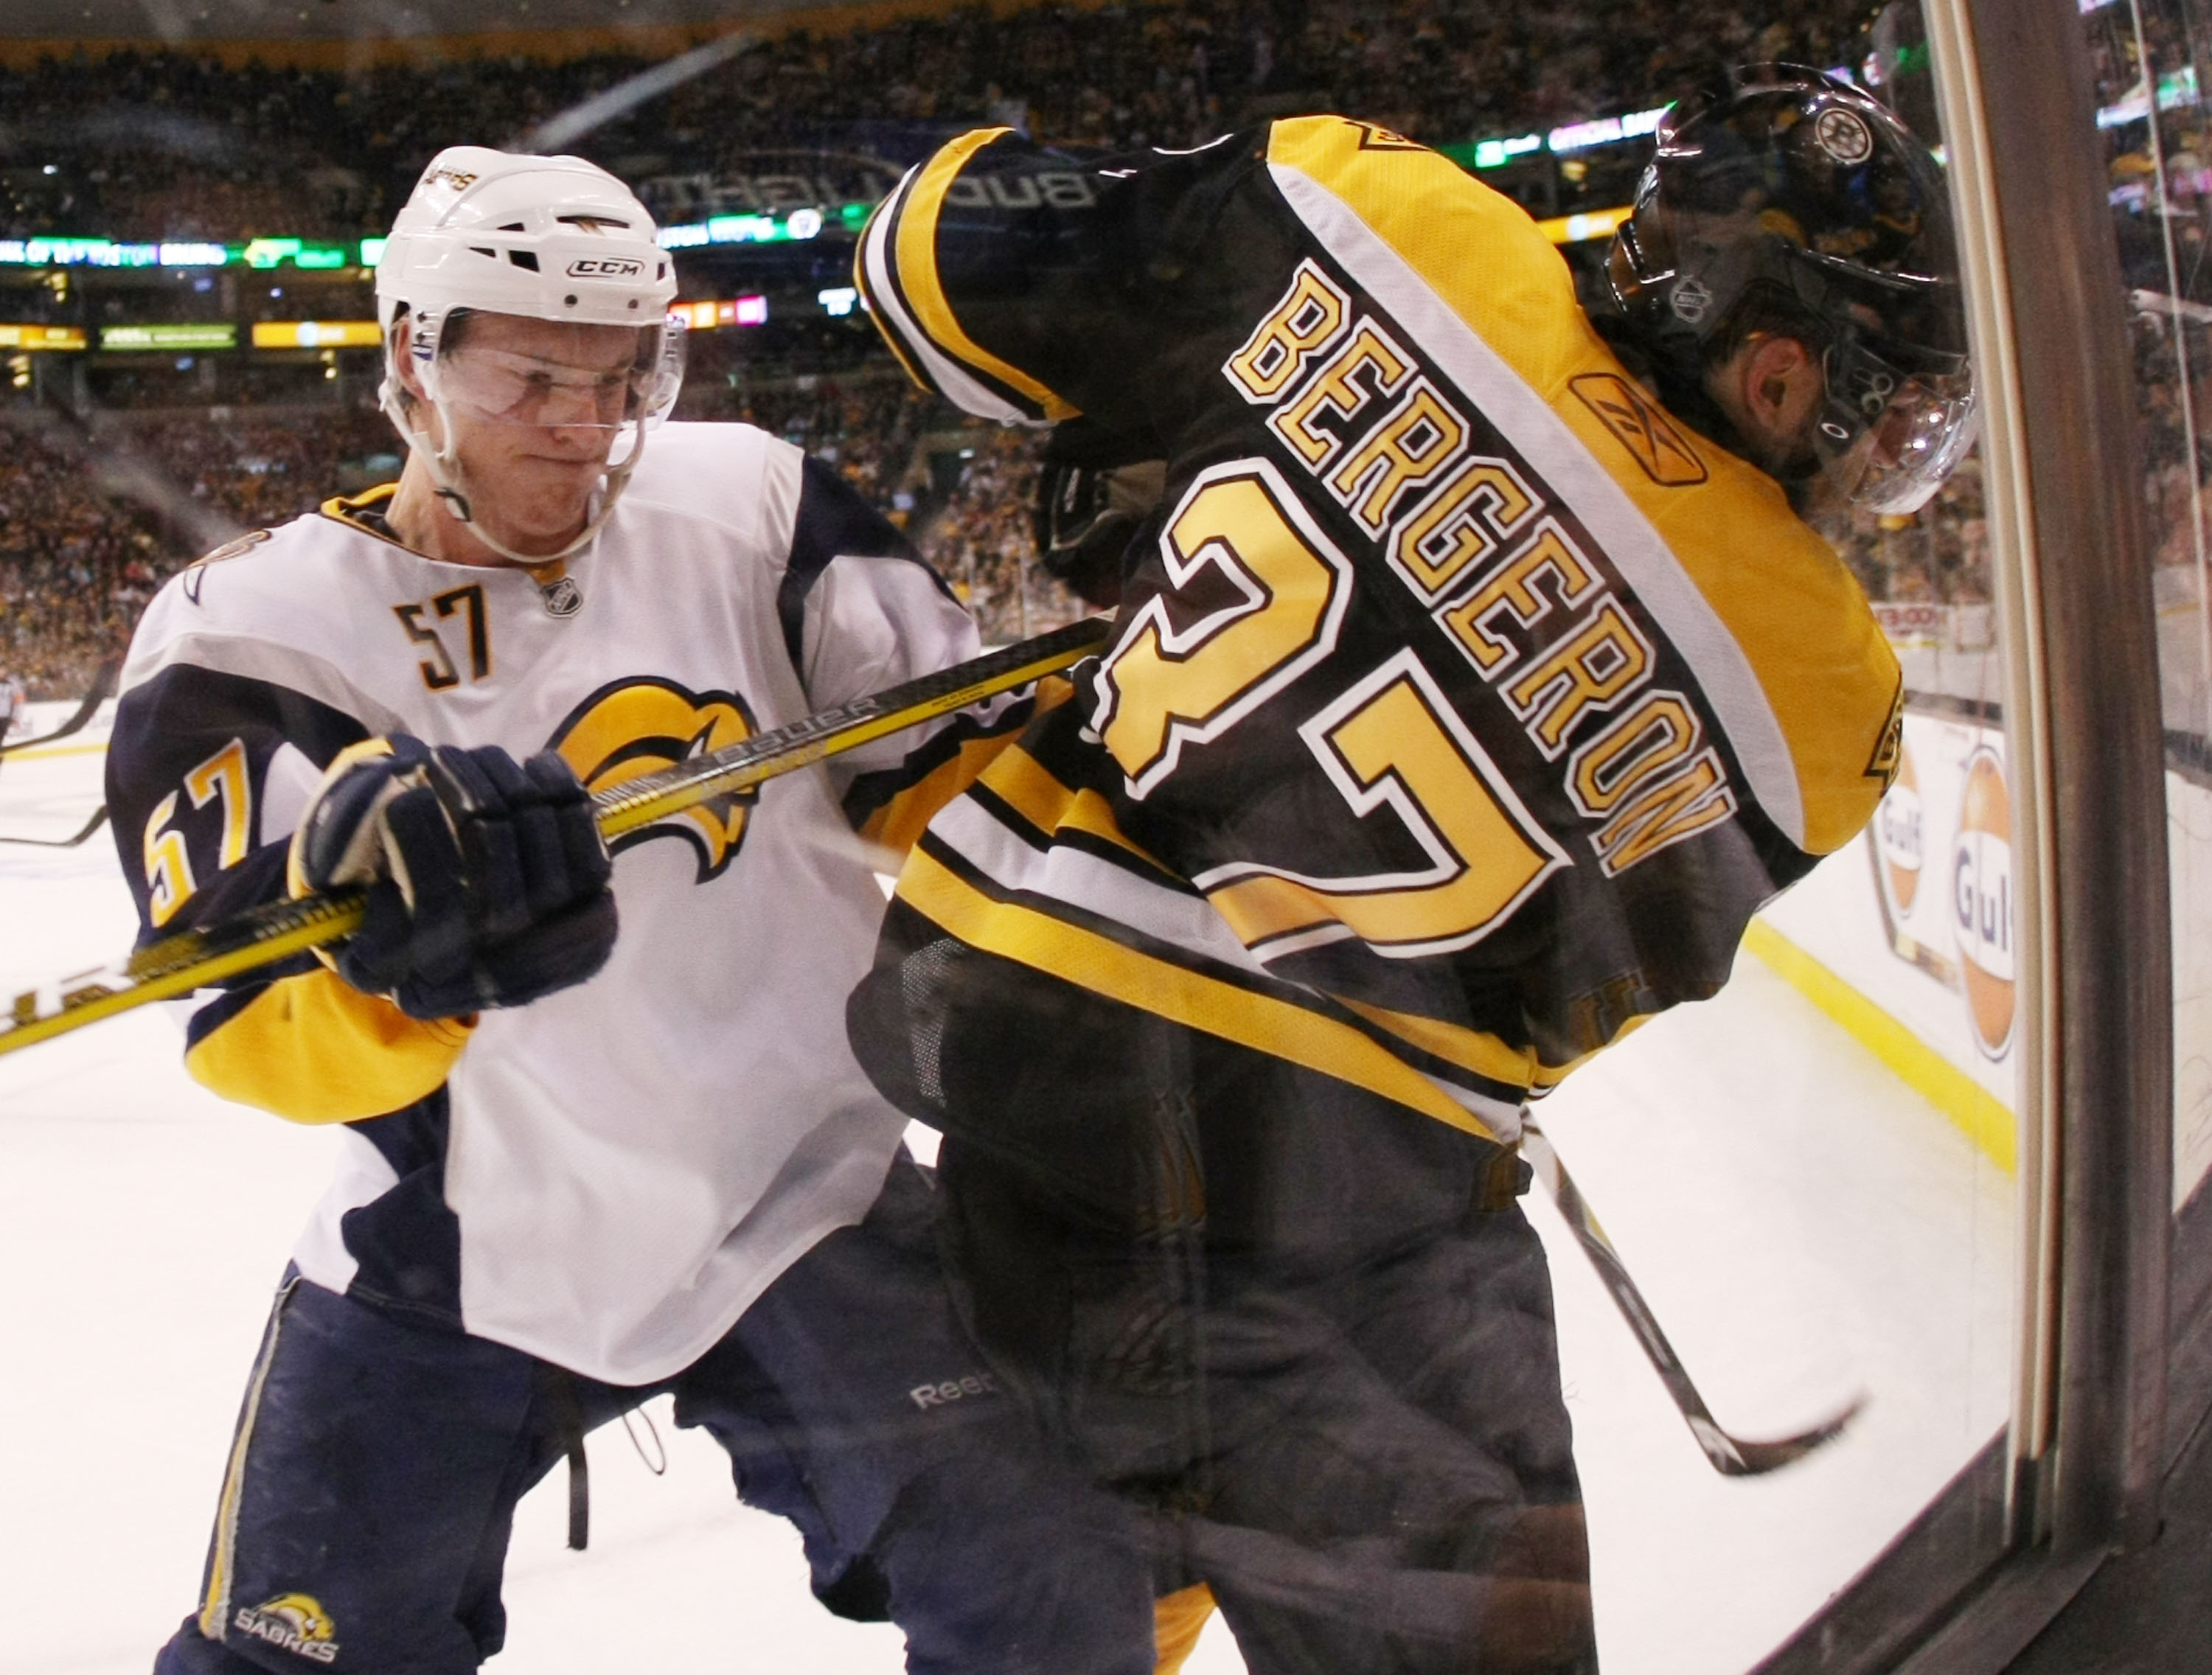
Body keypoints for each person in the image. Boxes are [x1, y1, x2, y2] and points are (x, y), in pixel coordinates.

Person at [844, 66, 1969, 1672]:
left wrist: (1157, 441)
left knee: (1083, 1568)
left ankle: (1137, 1569)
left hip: (1033, 1103)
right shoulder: (1829, 705)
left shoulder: (1386, 214)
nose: (1890, 462)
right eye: (1892, 406)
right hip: (1359, 1227)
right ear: (1779, 366)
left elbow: (925, 252)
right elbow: (1565, 1003)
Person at [110, 147, 1155, 1675]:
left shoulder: (751, 500)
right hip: (463, 1246)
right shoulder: (251, 633)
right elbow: (248, 1030)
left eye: (625, 378)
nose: (588, 431)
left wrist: (1143, 705)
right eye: (536, 377)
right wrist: (407, 971)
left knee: (1053, 1601)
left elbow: (939, 788)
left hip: (803, 1190)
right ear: (414, 353)